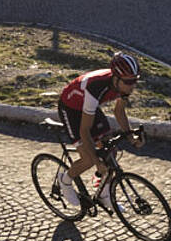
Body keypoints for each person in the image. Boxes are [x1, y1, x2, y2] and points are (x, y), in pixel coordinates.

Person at [55, 52, 146, 210]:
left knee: (110, 149)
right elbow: (84, 131)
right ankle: (65, 180)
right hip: (71, 108)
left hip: (88, 106)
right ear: (116, 78)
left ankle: (104, 193)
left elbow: (119, 111)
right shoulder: (96, 88)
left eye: (135, 81)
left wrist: (131, 138)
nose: (132, 86)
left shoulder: (122, 85)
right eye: (128, 82)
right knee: (89, 159)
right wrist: (97, 163)